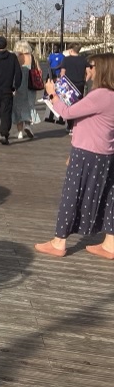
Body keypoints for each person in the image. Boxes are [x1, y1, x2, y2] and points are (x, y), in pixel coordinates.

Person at [35, 53, 114, 259]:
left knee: (72, 194)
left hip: (87, 152)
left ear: (102, 69)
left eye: (92, 65)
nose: (88, 69)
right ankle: (110, 244)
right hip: (105, 152)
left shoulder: (100, 95)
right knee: (107, 196)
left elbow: (69, 113)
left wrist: (52, 94)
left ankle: (58, 242)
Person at [11, 40, 41, 139]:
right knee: (29, 105)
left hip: (20, 84)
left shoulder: (17, 57)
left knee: (18, 107)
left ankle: (19, 132)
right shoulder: (32, 57)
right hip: (31, 84)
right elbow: (39, 71)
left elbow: (14, 71)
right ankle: (27, 125)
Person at [60, 43, 88, 134]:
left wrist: (61, 83)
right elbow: (89, 72)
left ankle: (70, 125)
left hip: (68, 85)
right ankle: (77, 125)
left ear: (71, 50)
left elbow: (62, 73)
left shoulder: (66, 60)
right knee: (78, 105)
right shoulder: (83, 60)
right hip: (80, 85)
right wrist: (84, 80)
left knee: (69, 105)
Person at [45, 45, 66, 124]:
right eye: (53, 48)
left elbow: (62, 65)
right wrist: (50, 73)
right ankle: (51, 116)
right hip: (51, 76)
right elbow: (48, 64)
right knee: (51, 97)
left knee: (58, 97)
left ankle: (61, 117)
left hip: (58, 76)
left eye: (55, 48)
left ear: (59, 49)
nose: (54, 49)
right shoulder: (51, 55)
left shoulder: (62, 56)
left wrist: (55, 68)